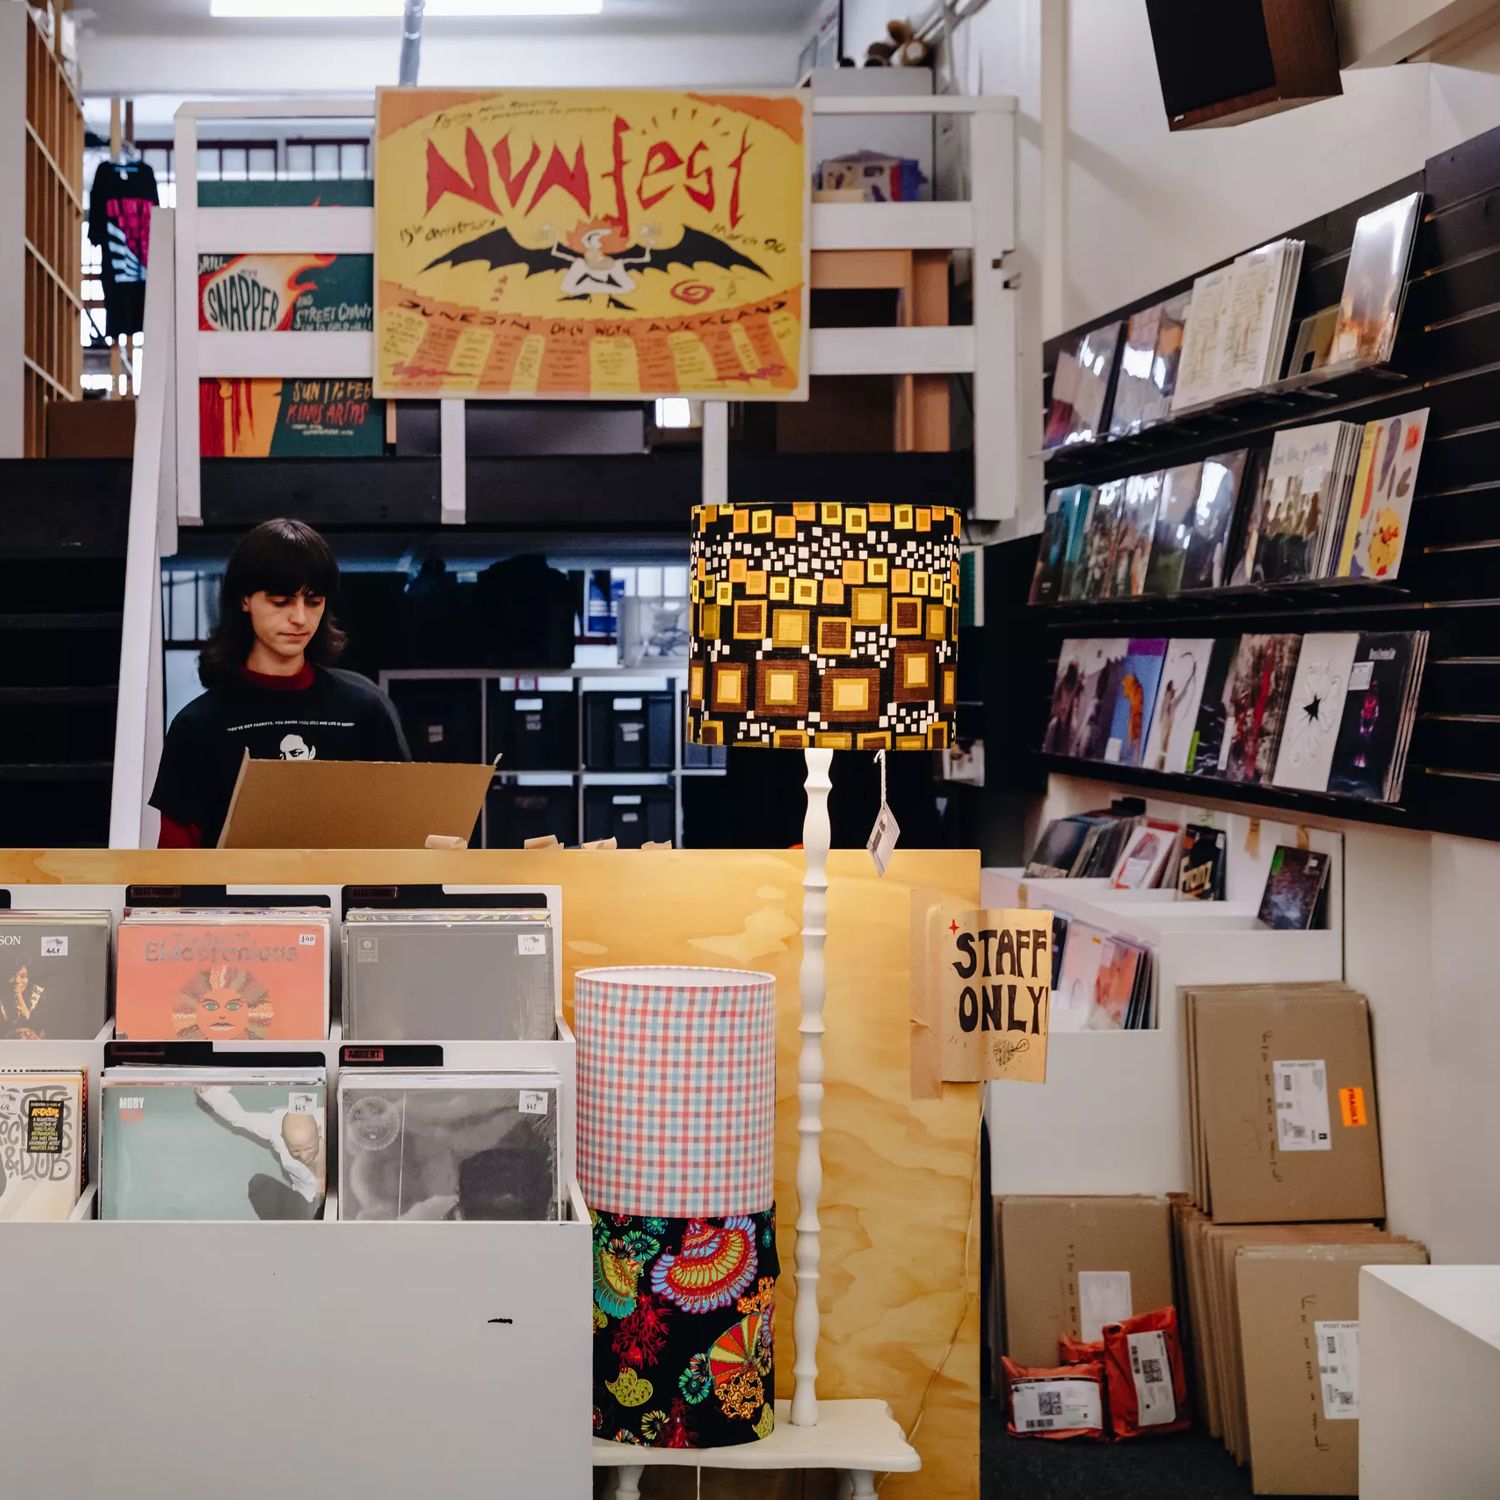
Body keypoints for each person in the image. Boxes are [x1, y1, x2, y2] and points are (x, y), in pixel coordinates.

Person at [150, 518, 410, 847]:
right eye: (281, 602)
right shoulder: (198, 725)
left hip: (346, 896)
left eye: (314, 602)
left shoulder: (365, 712)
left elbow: (404, 832)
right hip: (231, 897)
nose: (300, 618)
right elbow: (175, 862)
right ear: (245, 600)